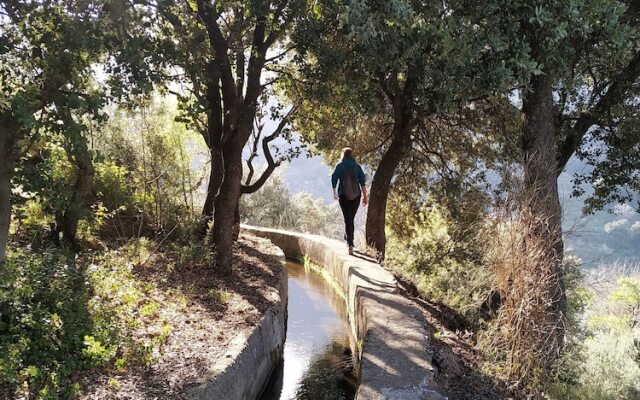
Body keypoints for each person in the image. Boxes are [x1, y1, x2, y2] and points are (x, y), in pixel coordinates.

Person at [331, 147, 367, 255]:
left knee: (348, 219)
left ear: (343, 154)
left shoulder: (339, 166)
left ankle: (350, 243)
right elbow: (363, 183)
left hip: (343, 195)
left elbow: (333, 178)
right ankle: (349, 239)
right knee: (350, 218)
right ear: (351, 155)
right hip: (356, 196)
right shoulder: (357, 167)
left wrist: (334, 192)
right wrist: (365, 197)